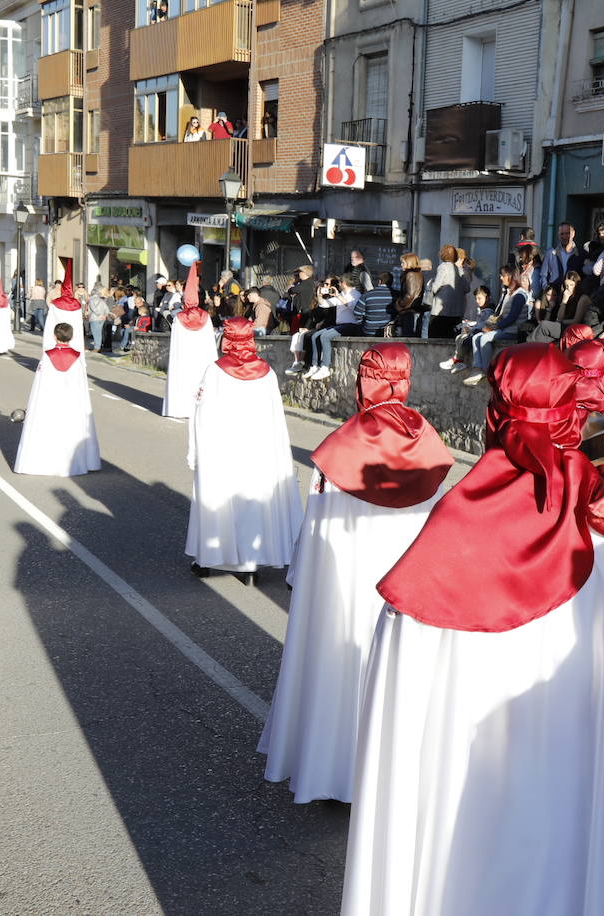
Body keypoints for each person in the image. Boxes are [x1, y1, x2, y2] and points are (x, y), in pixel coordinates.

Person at [340, 343, 604, 916]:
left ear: (494, 413)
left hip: (461, 789)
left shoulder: (453, 531)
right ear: (575, 412)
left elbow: (402, 673)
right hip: (576, 774)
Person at [260, 344, 453, 804]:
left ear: (363, 380)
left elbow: (318, 523)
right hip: (403, 581)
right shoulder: (428, 440)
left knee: (339, 664)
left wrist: (303, 575)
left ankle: (333, 770)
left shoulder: (344, 445)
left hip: (347, 581)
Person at [186, 318, 302, 586]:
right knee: (252, 501)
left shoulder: (215, 371)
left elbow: (201, 413)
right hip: (258, 446)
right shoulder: (267, 372)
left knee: (220, 502)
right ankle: (249, 562)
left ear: (226, 340)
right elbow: (276, 417)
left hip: (224, 446)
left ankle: (209, 559)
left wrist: (196, 450)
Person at [13, 323, 100, 477]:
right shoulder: (78, 357)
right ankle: (78, 463)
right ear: (72, 337)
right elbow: (80, 383)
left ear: (54, 336)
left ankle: (41, 463)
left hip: (50, 398)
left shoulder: (47, 355)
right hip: (71, 400)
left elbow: (40, 382)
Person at [162, 263, 219, 419]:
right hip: (201, 356)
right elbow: (209, 340)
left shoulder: (179, 318)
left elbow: (176, 341)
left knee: (183, 379)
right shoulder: (205, 317)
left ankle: (179, 408)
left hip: (184, 356)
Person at [462, 265, 530, 386]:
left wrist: (493, 327)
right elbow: (501, 314)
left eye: (502, 275)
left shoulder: (519, 295)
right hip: (505, 329)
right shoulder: (508, 293)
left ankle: (488, 370)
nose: (500, 278)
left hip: (512, 331)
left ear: (510, 276)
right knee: (476, 337)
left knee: (484, 338)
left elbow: (511, 318)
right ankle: (477, 368)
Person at [530, 271, 596, 343]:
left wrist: (560, 321)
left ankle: (528, 344)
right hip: (565, 326)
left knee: (544, 325)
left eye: (571, 285)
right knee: (543, 337)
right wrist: (564, 302)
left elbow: (576, 320)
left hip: (576, 329)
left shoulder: (583, 298)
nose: (568, 288)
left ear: (577, 285)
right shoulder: (567, 296)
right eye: (566, 285)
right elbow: (560, 317)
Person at [40, 261, 84, 357]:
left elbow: (50, 323)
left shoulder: (56, 303)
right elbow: (78, 324)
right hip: (71, 334)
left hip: (58, 332)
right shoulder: (76, 304)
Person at [423, 246, 463, 338]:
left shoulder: (443, 267)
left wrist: (431, 286)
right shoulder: (459, 269)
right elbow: (466, 288)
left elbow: (436, 286)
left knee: (436, 337)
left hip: (440, 311)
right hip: (456, 312)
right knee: (451, 339)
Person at [540, 223, 585, 298]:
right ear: (558, 235)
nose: (564, 237)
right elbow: (543, 275)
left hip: (573, 297)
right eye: (562, 234)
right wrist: (547, 289)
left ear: (573, 234)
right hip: (553, 297)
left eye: (567, 233)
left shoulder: (581, 254)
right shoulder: (550, 253)